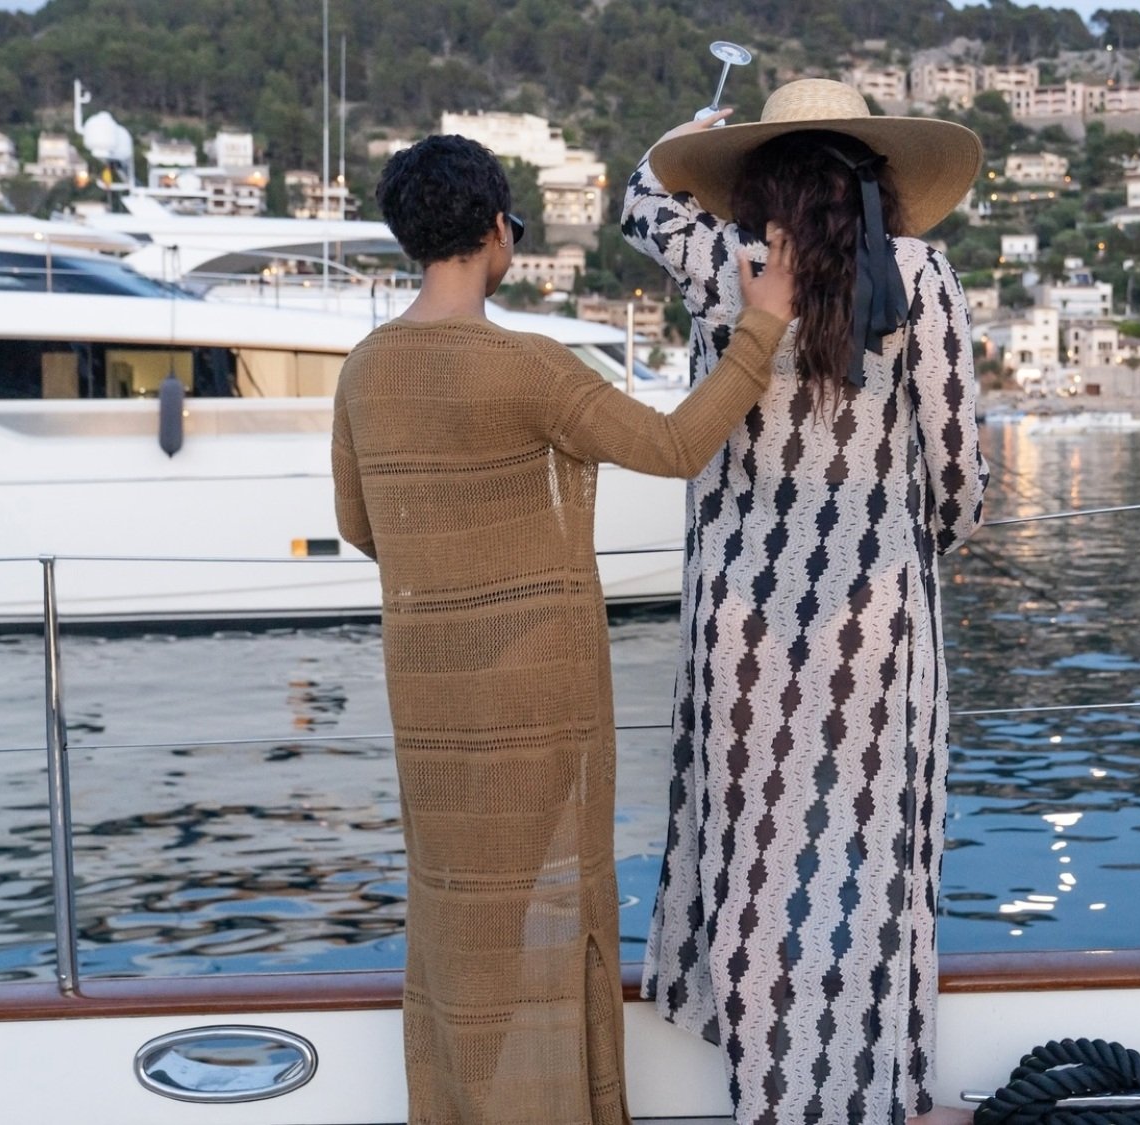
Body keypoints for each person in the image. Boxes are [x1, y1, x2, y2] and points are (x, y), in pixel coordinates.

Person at [333, 133, 796, 1125]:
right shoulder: (530, 368)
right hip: (536, 693)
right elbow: (674, 446)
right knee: (552, 913)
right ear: (498, 231)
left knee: (460, 915)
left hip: (428, 700)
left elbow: (359, 525)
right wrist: (761, 328)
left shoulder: (364, 372)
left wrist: (455, 578)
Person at [622, 81, 991, 1124]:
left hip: (737, 621)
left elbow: (637, 197)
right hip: (876, 627)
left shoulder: (722, 267)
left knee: (754, 865)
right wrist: (905, 545)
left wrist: (686, 137)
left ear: (755, 178)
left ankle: (765, 1097)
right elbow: (960, 477)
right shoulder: (918, 275)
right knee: (866, 870)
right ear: (875, 175)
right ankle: (869, 1099)